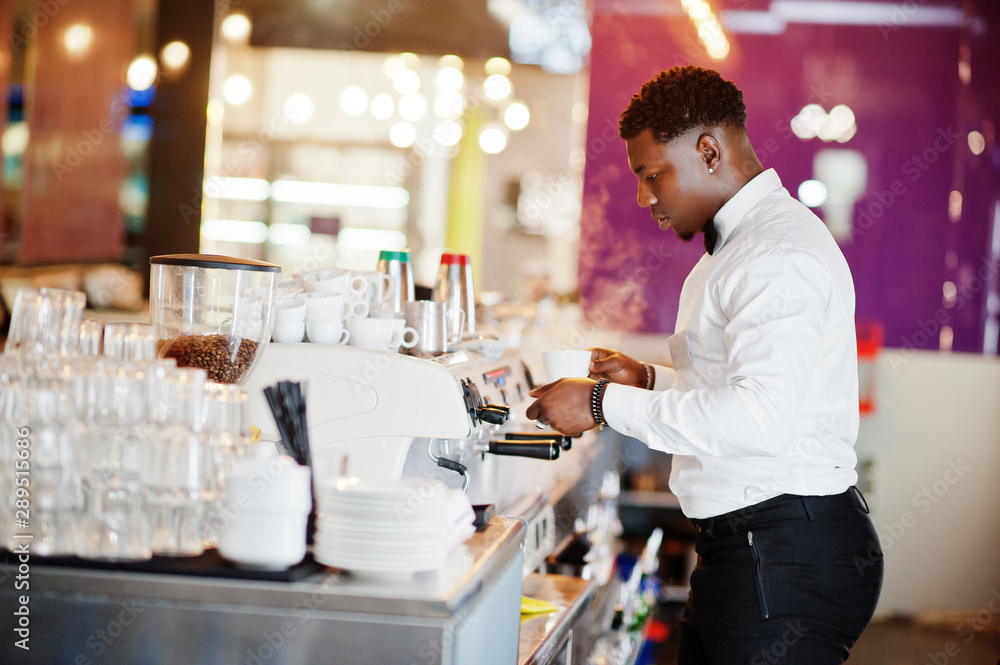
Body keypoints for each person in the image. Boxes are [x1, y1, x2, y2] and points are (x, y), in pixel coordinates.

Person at [526, 66, 883, 664]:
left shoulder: (776, 253)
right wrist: (645, 380)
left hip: (784, 554)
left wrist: (598, 404)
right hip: (750, 549)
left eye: (652, 174)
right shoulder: (738, 248)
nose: (644, 197)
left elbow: (759, 420)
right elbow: (730, 388)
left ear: (709, 151)